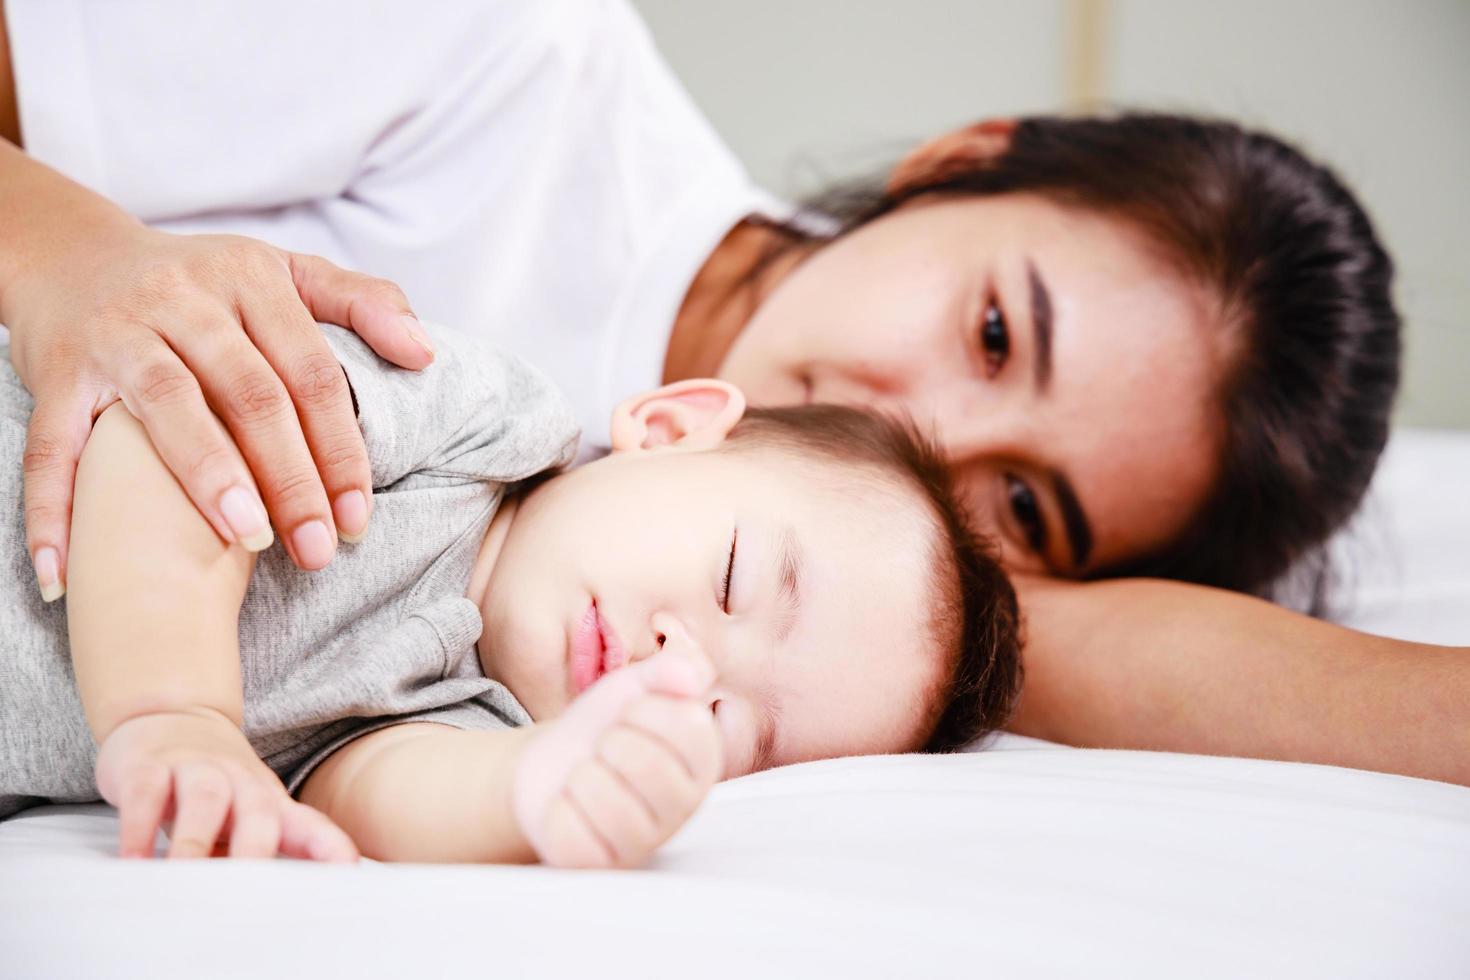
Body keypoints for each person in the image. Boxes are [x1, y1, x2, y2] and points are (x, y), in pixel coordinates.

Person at [0, 0, 1464, 784]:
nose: (930, 435)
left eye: (1025, 503)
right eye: (998, 334)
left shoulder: (825, 617)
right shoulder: (493, 53)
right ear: (955, 162)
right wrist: (77, 263)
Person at [0, 320, 1023, 866]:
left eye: (727, 725)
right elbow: (177, 434)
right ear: (669, 429)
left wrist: (540, 787)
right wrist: (174, 710)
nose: (681, 660)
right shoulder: (474, 417)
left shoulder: (478, 719)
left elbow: (382, 799)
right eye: (732, 580)